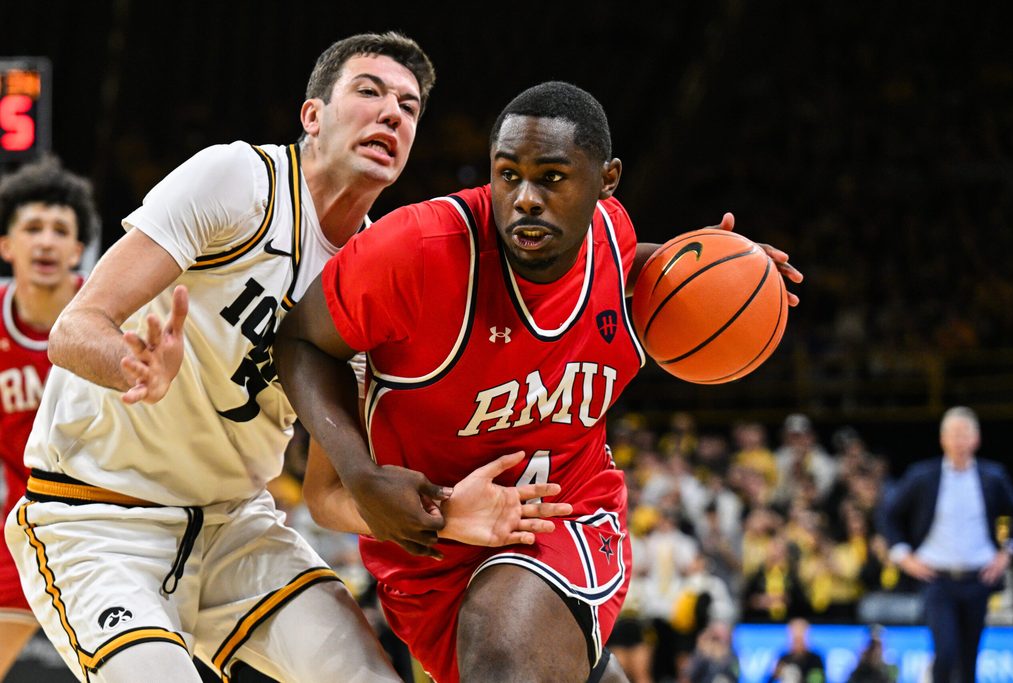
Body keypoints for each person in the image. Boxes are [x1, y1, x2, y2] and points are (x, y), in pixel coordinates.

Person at [4, 33, 564, 683]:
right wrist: (127, 361)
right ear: (313, 115)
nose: (392, 114)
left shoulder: (380, 276)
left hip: (235, 530)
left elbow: (327, 496)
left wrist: (442, 512)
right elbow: (74, 329)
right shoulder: (238, 181)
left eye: (409, 107)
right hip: (99, 518)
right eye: (370, 92)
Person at [274, 80, 802, 682]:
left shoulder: (613, 240)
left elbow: (631, 271)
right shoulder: (417, 249)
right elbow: (300, 339)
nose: (524, 198)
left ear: (607, 182)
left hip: (563, 516)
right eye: (507, 175)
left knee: (507, 645)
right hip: (430, 554)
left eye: (551, 178)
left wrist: (725, 275)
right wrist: (361, 473)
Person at [0, 156, 94, 678]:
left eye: (61, 230)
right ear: (6, 246)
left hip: (111, 517)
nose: (46, 241)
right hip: (25, 524)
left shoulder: (108, 316)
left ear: (78, 251)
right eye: (32, 227)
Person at [879, 406, 1013, 683]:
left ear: (976, 439)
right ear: (942, 439)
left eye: (965, 434)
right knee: (945, 653)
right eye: (954, 435)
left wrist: (1007, 555)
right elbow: (888, 514)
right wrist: (903, 555)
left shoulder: (992, 477)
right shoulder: (923, 476)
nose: (959, 442)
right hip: (937, 579)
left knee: (969, 660)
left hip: (977, 578)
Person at [768, 618, 825, 683]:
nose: (797, 643)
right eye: (795, 639)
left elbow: (819, 681)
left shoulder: (815, 659)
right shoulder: (784, 658)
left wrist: (797, 678)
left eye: (800, 639)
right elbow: (770, 680)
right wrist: (776, 674)